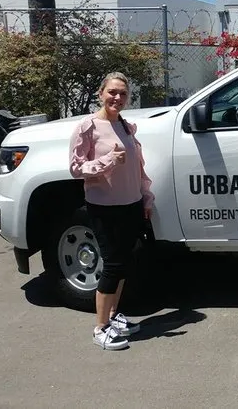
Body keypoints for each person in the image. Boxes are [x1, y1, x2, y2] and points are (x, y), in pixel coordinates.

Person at [68, 72, 154, 350]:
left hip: (130, 204)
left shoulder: (126, 126)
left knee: (124, 263)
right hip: (104, 208)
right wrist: (107, 161)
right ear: (101, 93)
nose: (117, 98)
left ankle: (114, 316)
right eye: (112, 92)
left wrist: (145, 198)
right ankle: (100, 328)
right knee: (113, 264)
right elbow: (76, 168)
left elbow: (138, 168)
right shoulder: (88, 127)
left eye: (123, 93)